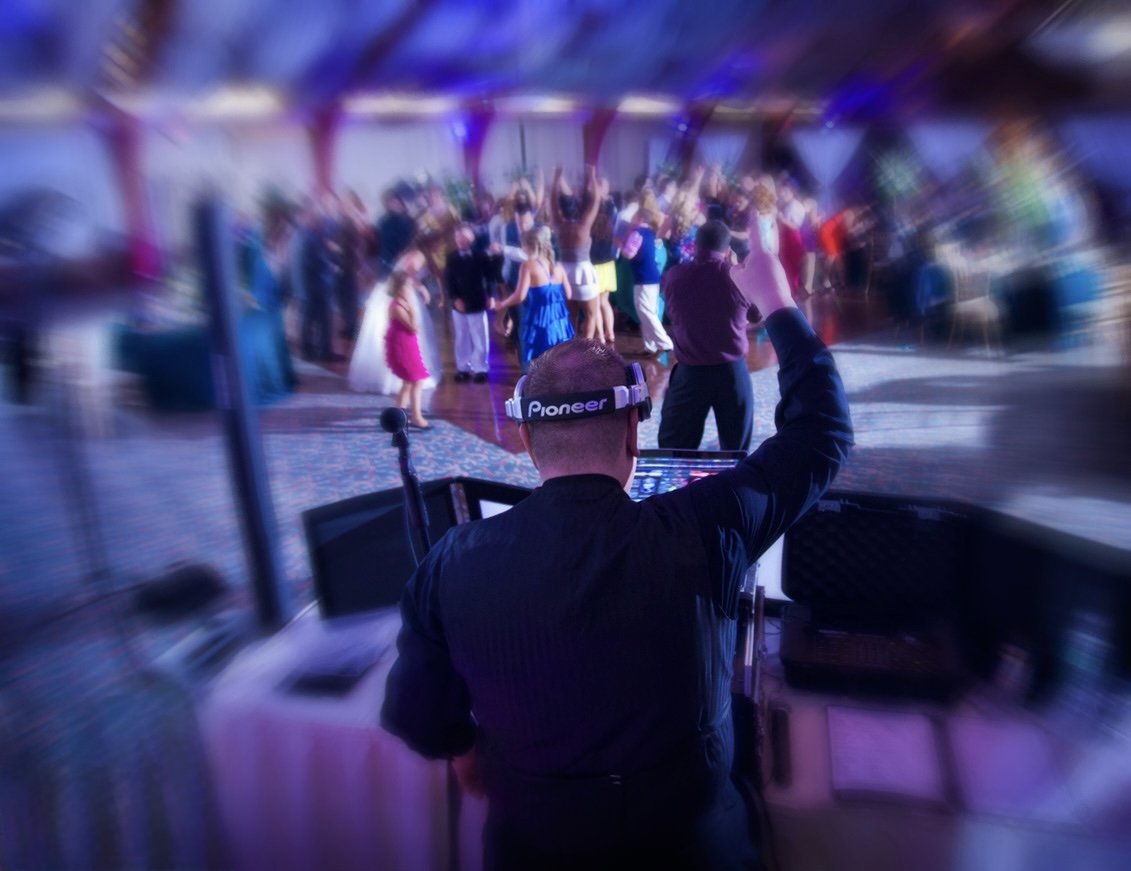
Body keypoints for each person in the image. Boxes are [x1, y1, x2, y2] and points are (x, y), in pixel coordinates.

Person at [381, 242, 853, 869]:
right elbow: (822, 433)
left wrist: (469, 750)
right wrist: (777, 301)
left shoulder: (449, 563)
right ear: (635, 431)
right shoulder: (708, 526)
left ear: (526, 440)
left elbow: (417, 715)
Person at [659, 219, 766, 452]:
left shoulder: (675, 276)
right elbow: (758, 315)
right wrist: (737, 269)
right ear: (727, 251)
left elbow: (671, 312)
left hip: (691, 372)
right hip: (732, 372)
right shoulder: (736, 277)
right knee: (736, 450)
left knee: (675, 449)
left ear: (695, 245)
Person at [348, 249, 439, 395]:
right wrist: (422, 289)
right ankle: (402, 375)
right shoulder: (418, 256)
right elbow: (408, 276)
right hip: (401, 294)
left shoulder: (411, 255)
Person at [495, 226, 574, 372]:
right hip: (559, 322)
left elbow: (519, 296)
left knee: (538, 363)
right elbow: (568, 294)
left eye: (523, 245)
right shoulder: (558, 266)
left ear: (530, 246)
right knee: (558, 359)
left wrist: (502, 304)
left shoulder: (528, 265)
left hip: (539, 320)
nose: (522, 249)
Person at [551, 165, 603, 342]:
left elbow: (551, 202)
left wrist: (556, 178)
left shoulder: (558, 225)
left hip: (564, 272)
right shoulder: (584, 225)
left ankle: (572, 346)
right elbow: (596, 200)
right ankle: (586, 348)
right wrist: (592, 177)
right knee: (590, 314)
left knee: (571, 314)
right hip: (583, 273)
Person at [444, 223, 498, 383]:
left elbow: (490, 278)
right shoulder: (451, 258)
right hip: (459, 303)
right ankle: (463, 367)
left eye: (465, 236)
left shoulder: (481, 256)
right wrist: (454, 298)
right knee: (461, 335)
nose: (461, 239)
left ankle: (480, 367)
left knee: (479, 335)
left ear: (472, 237)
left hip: (477, 300)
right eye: (458, 236)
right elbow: (449, 281)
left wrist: (491, 295)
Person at [384, 271, 432, 430]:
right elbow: (413, 326)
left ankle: (398, 416)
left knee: (410, 382)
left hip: (408, 344)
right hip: (401, 346)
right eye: (407, 287)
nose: (410, 290)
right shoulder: (397, 307)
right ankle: (416, 417)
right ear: (399, 288)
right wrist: (411, 308)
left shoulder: (400, 304)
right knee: (415, 380)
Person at [627, 209, 673, 354]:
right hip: (652, 277)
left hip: (643, 278)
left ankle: (665, 342)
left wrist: (619, 243)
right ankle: (650, 345)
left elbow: (629, 253)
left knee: (645, 311)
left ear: (640, 218)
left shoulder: (637, 233)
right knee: (649, 311)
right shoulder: (650, 233)